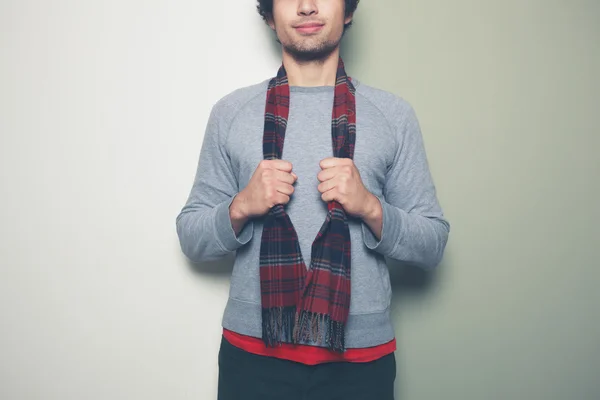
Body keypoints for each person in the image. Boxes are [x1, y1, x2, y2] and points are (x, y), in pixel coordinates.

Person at [176, 1, 450, 399]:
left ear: (349, 11)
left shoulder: (393, 114)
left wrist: (371, 207)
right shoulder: (231, 112)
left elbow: (433, 243)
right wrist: (241, 206)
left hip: (360, 360)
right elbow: (191, 237)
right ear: (270, 15)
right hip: (253, 357)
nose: (307, 6)